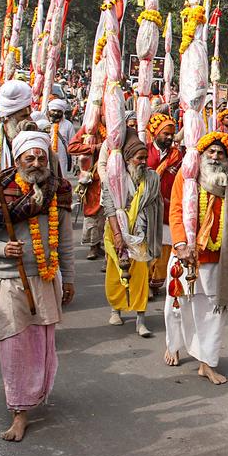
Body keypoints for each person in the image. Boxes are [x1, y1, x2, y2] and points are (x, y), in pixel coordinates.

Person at [0, 131, 75, 442]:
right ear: (18, 159)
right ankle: (19, 413)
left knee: (41, 347)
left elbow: (65, 241)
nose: (36, 162)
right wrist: (2, 249)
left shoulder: (58, 190)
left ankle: (33, 395)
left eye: (41, 157)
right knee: (14, 348)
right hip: (6, 281)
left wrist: (70, 278)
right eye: (30, 157)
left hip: (45, 278)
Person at [164, 131, 228, 384]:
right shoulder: (188, 175)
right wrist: (180, 243)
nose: (215, 156)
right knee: (176, 306)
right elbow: (176, 210)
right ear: (202, 153)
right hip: (185, 255)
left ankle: (206, 362)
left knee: (212, 314)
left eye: (221, 153)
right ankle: (173, 345)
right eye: (211, 152)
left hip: (217, 260)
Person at [102, 134, 162, 337]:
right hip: (117, 232)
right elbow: (110, 208)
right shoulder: (114, 178)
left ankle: (140, 320)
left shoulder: (152, 178)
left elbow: (155, 204)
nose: (144, 162)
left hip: (141, 233)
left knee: (141, 277)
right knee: (116, 273)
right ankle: (115, 309)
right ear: (127, 159)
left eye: (145, 158)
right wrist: (119, 234)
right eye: (139, 158)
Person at [144, 113, 183, 293]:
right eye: (165, 133)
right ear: (155, 133)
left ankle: (156, 282)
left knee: (165, 245)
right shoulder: (145, 151)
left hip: (169, 205)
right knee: (147, 243)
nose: (169, 137)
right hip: (147, 206)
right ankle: (144, 281)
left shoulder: (178, 155)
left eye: (171, 134)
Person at [67, 121, 107, 260]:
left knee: (109, 212)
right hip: (92, 180)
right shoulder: (88, 128)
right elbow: (72, 148)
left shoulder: (117, 128)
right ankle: (93, 246)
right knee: (92, 212)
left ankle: (104, 246)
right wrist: (94, 148)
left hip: (110, 177)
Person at [37, 99, 75, 178]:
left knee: (61, 178)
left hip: (61, 157)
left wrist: (74, 162)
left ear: (63, 112)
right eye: (53, 110)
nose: (56, 113)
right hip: (45, 155)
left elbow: (73, 143)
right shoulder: (42, 123)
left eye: (59, 111)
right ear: (49, 111)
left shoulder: (68, 125)